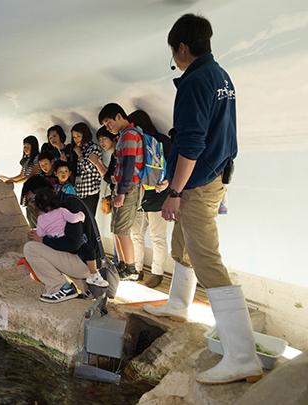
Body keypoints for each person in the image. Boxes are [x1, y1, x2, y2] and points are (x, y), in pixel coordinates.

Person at [143, 14, 262, 385]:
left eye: (173, 53)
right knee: (184, 244)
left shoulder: (195, 81)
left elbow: (192, 142)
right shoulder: (222, 76)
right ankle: (178, 305)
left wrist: (175, 192)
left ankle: (243, 356)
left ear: (181, 46)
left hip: (197, 181)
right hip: (216, 174)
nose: (175, 59)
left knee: (208, 258)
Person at [22, 176, 113, 303]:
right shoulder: (60, 204)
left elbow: (73, 244)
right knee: (39, 244)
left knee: (31, 248)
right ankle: (84, 289)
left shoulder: (68, 205)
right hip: (82, 260)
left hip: (87, 263)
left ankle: (60, 287)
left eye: (32, 200)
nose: (32, 205)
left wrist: (43, 240)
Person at [99, 103, 144, 281]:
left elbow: (129, 166)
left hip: (128, 188)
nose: (107, 127)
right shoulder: (123, 135)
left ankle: (131, 269)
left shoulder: (130, 135)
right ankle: (122, 264)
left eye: (108, 122)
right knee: (117, 229)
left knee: (123, 230)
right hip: (121, 187)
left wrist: (122, 192)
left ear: (118, 116)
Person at [127, 110, 172, 288]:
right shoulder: (140, 141)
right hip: (140, 195)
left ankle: (157, 272)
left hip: (157, 194)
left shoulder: (160, 140)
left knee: (155, 236)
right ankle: (137, 270)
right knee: (137, 235)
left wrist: (168, 182)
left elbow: (172, 163)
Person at [0, 135, 41, 227]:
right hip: (27, 189)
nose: (25, 149)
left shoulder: (37, 158)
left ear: (33, 147)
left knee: (36, 213)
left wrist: (15, 182)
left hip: (35, 189)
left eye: (27, 147)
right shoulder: (26, 160)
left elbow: (31, 175)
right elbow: (22, 175)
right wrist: (9, 179)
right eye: (24, 147)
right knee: (29, 212)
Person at [71, 122, 107, 216]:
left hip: (90, 192)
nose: (76, 139)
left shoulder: (93, 148)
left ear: (85, 135)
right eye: (74, 137)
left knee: (89, 222)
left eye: (78, 136)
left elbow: (88, 168)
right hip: (80, 192)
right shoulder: (80, 148)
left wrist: (79, 155)